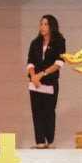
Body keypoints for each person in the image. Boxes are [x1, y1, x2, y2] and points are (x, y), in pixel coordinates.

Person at [27, 14, 66, 149]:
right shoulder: (35, 43)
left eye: (46, 24)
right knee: (36, 112)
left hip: (49, 82)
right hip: (35, 84)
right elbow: (30, 62)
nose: (42, 27)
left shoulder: (59, 41)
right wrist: (33, 77)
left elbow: (59, 63)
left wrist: (41, 74)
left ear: (52, 26)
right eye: (41, 24)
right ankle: (40, 142)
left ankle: (49, 140)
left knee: (48, 111)